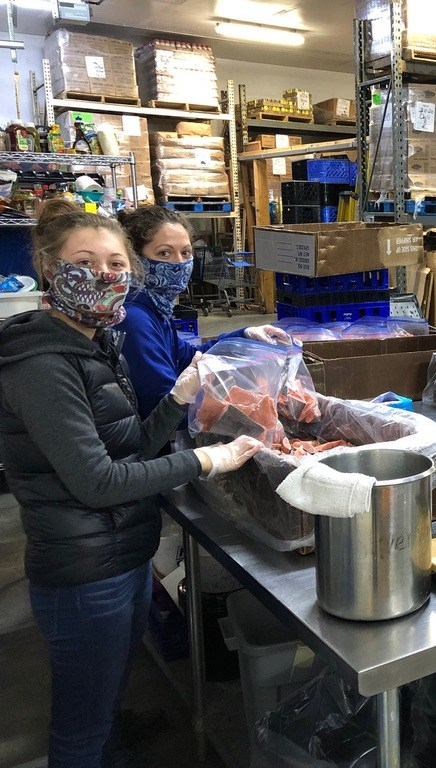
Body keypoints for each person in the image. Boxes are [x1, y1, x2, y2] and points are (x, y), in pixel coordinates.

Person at [0, 199, 263, 768]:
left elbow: (133, 449)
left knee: (106, 685)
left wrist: (176, 399)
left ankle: (111, 746)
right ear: (50, 269)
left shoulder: (96, 341)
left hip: (119, 550)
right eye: (86, 262)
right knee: (79, 722)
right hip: (83, 570)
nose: (105, 276)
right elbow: (98, 481)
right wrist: (207, 462)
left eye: (117, 265)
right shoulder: (43, 364)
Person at [116, 206, 290, 419]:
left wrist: (244, 336)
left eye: (186, 252)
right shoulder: (135, 320)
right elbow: (162, 405)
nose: (179, 263)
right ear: (135, 259)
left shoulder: (155, 309)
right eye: (164, 253)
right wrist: (243, 408)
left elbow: (188, 358)